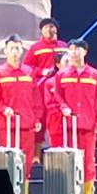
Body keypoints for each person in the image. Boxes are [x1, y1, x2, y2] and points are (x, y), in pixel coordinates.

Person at [49, 39, 97, 194]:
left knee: (88, 160)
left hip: (88, 124)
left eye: (77, 49)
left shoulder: (94, 75)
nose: (74, 53)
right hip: (68, 126)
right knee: (69, 160)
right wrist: (64, 107)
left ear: (85, 52)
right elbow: (57, 96)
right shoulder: (62, 75)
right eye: (71, 49)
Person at [0, 35, 42, 194]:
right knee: (9, 158)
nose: (14, 51)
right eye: (11, 48)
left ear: (22, 50)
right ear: (5, 51)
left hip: (27, 123)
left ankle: (24, 193)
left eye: (18, 48)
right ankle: (9, 192)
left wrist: (37, 118)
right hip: (7, 124)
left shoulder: (29, 72)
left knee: (27, 158)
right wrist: (4, 109)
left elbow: (36, 97)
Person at [24, 17, 67, 161]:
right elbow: (28, 66)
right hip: (41, 90)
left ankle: (60, 154)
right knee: (39, 122)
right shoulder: (36, 48)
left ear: (56, 29)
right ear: (41, 30)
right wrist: (41, 71)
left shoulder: (64, 46)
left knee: (58, 122)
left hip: (60, 91)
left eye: (51, 26)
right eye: (46, 27)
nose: (49, 29)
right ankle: (36, 156)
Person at [39, 52, 70, 148]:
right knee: (58, 151)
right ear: (58, 64)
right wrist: (63, 113)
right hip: (57, 123)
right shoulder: (50, 83)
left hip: (73, 124)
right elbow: (50, 104)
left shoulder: (76, 81)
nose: (69, 64)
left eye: (71, 62)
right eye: (66, 61)